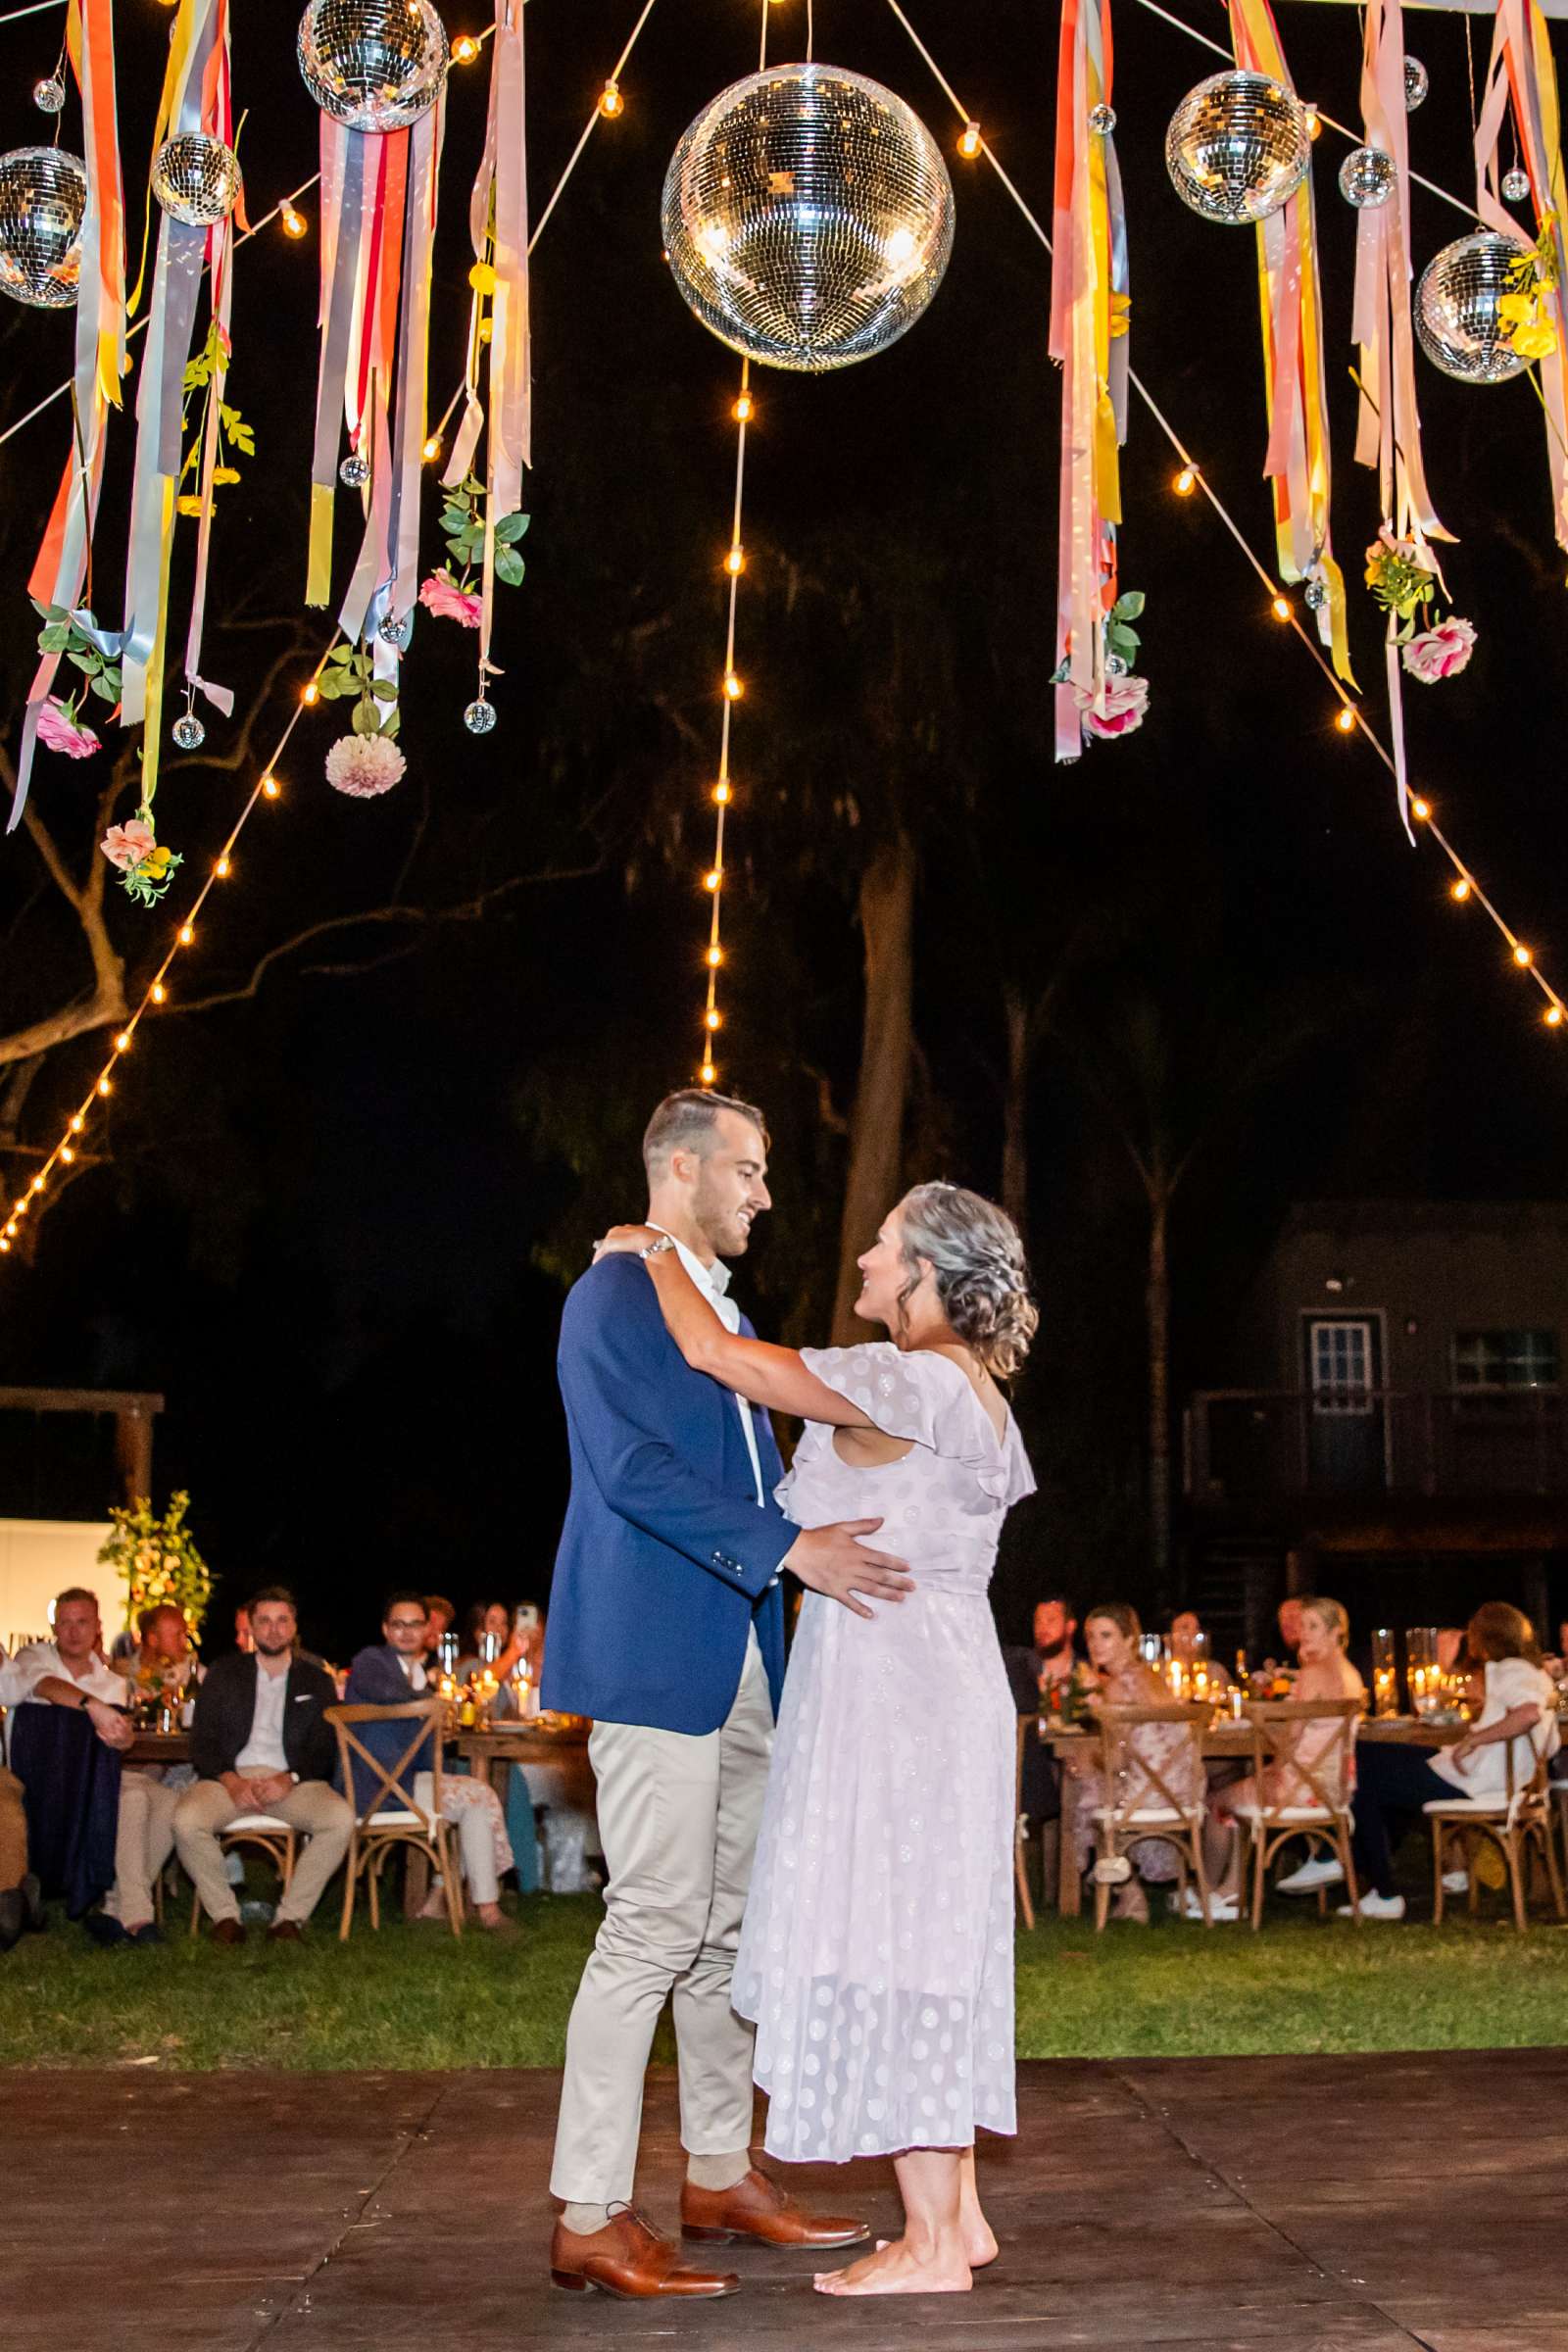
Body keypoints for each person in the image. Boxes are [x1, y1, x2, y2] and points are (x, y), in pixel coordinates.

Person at [594, 1174, 1038, 2298]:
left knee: (901, 1945)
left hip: (900, 1696)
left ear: (928, 1272)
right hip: (928, 1676)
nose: (863, 1264)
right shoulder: (965, 1387)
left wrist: (653, 1254)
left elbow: (721, 1359)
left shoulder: (905, 1377)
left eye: (883, 1248)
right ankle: (963, 2218)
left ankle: (931, 2246)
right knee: (929, 1943)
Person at [545, 1089, 907, 2301]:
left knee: (724, 1931)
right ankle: (590, 2214)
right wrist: (789, 1550)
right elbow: (630, 1469)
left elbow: (756, 1450)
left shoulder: (708, 1303)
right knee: (651, 1924)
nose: (762, 1193)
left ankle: (715, 2173)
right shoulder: (608, 1295)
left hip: (743, 1654)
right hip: (654, 1651)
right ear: (682, 1168)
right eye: (746, 1171)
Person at [1341, 1601, 1560, 1922]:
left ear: (1484, 1636)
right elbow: (1547, 1740)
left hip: (1477, 1783)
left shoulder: (1510, 1669)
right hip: (1487, 1777)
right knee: (1367, 1762)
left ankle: (1378, 1885)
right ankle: (1365, 1869)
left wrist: (1475, 1740)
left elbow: (1527, 1714)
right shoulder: (1536, 1673)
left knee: (1362, 1769)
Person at [174, 1587, 352, 1944]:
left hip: (293, 1782)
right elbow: (202, 1742)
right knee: (185, 1820)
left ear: (294, 1626)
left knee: (340, 1819)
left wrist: (292, 1777)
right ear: (251, 1628)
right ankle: (225, 1916)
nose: (273, 1629)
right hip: (230, 1779)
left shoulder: (315, 1680)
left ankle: (289, 1919)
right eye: (264, 1621)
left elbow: (323, 1747)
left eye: (282, 1620)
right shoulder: (224, 1674)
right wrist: (230, 1780)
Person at [4, 1589, 178, 1946]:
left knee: (170, 1801)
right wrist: (93, 1706)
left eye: (82, 1622)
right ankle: (136, 1915)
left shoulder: (113, 1682)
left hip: (98, 1775)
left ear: (98, 1627)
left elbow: (122, 1741)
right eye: (65, 1623)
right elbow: (46, 1686)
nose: (73, 1631)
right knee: (132, 1799)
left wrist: (124, 1739)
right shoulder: (34, 1657)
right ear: (54, 1627)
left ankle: (115, 1905)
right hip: (48, 1782)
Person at [342, 1592, 517, 1933]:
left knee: (477, 1799)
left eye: (415, 1625)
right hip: (375, 1788)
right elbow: (392, 1695)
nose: (407, 1632)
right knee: (478, 1794)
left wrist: (440, 1712)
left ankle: (484, 1908)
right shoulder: (371, 1661)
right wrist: (437, 1701)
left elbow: (423, 1748)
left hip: (407, 1782)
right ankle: (471, 1897)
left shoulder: (420, 1675)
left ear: (426, 1631)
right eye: (398, 1625)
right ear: (385, 1629)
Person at [1210, 1595, 1365, 1916]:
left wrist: (1274, 1767)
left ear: (1336, 1632)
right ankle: (1230, 1891)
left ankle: (1217, 1891)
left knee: (1219, 1800)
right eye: (1301, 1625)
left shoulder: (1314, 1672)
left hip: (1300, 1789)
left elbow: (1292, 1737)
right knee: (1247, 1786)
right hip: (1336, 1788)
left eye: (1313, 1626)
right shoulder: (1351, 1674)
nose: (1303, 1632)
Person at [1063, 1603, 1204, 1926]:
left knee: (1082, 1781)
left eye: (1106, 1636)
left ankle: (1127, 1893)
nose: (1096, 1644)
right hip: (1182, 1794)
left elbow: (1117, 1761)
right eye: (1091, 1636)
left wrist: (1088, 1760)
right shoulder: (1153, 1679)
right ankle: (1124, 1887)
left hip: (1146, 1796)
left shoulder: (1117, 1687)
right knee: (1092, 1777)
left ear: (1129, 1641)